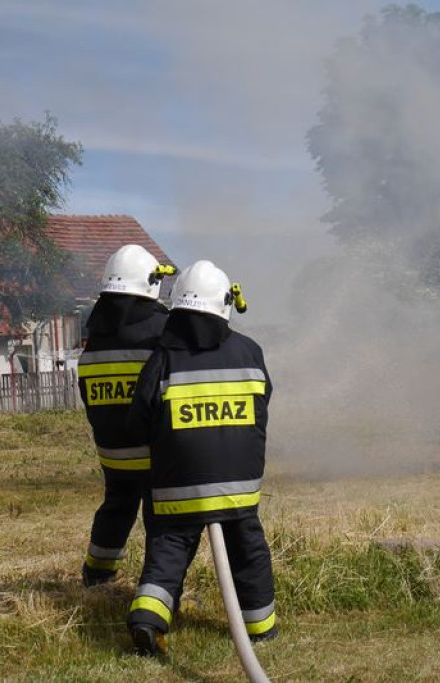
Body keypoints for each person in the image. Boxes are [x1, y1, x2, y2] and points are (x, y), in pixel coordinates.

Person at [125, 260, 276, 656]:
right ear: (225, 304)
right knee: (248, 552)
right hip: (239, 489)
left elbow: (138, 420)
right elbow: (264, 403)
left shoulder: (162, 359)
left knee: (168, 551)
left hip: (179, 488)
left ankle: (148, 619)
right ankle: (261, 628)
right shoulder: (250, 351)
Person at [78, 245, 175, 586]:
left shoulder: (95, 337)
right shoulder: (163, 330)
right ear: (151, 283)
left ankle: (96, 574)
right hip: (154, 452)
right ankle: (155, 589)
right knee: (160, 519)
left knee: (116, 507)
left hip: (113, 452)